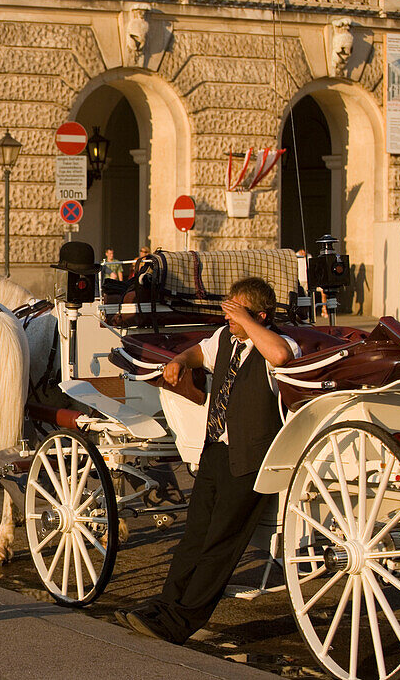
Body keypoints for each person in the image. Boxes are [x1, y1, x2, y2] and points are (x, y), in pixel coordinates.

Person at [116, 276, 299, 644]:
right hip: (217, 448)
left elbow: (280, 356)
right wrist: (181, 360)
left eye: (236, 310)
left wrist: (248, 322)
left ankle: (181, 622)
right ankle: (164, 607)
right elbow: (202, 351)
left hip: (251, 457)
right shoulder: (226, 338)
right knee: (194, 535)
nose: (227, 317)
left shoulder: (277, 343)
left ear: (261, 315)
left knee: (220, 544)